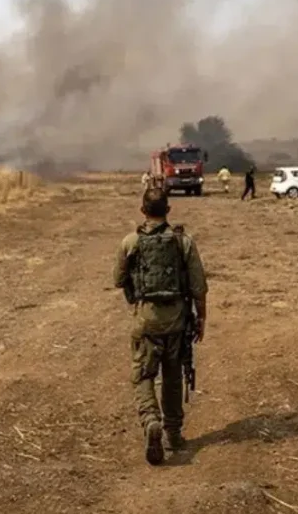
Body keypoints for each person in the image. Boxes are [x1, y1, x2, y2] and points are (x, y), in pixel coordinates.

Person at [113, 187, 208, 465]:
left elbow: (118, 279)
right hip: (177, 321)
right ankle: (173, 433)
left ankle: (150, 420)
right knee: (173, 377)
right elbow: (199, 286)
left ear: (143, 211)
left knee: (143, 375)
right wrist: (201, 318)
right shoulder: (183, 242)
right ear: (168, 210)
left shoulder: (130, 242)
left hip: (146, 320)